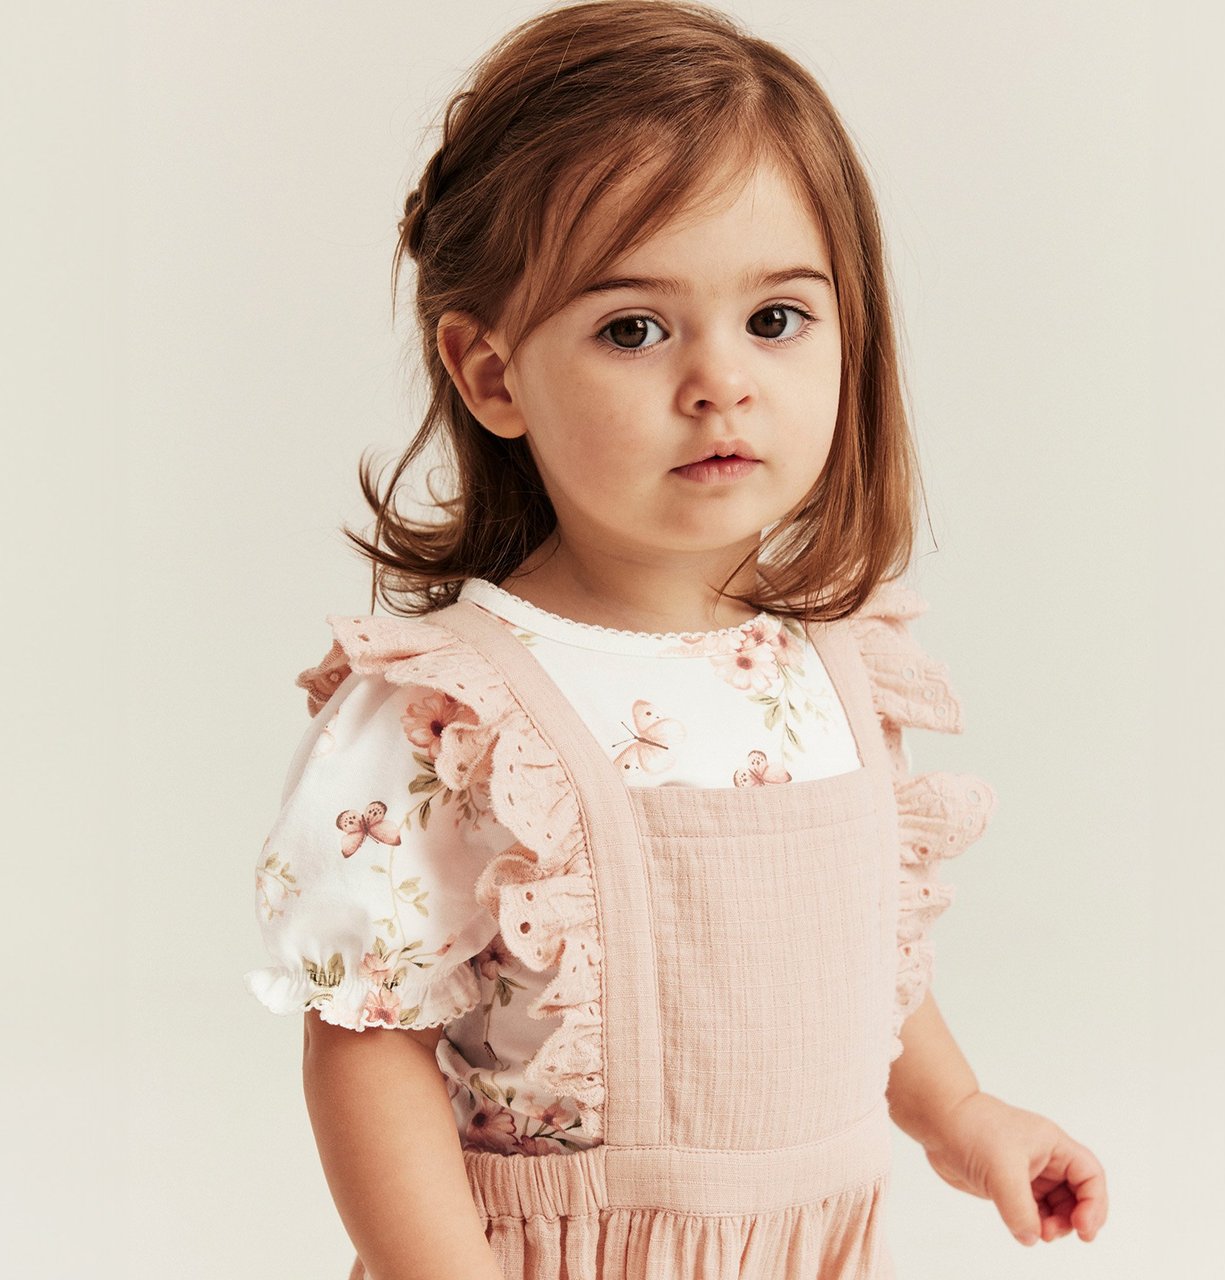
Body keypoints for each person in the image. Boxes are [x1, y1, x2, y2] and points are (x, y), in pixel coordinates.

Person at [244, 2, 1109, 1276]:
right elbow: (365, 1037)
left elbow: (854, 952)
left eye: (774, 319)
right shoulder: (459, 714)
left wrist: (959, 1111)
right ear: (491, 376)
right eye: (633, 328)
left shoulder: (831, 668)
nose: (721, 379)